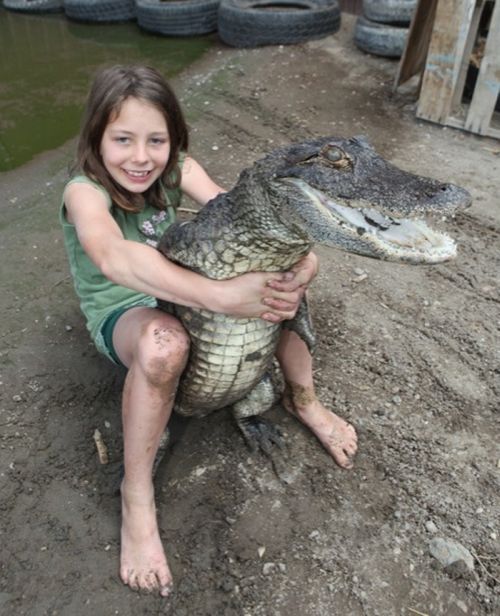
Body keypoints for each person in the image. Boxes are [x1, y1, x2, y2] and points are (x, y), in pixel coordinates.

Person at [61, 64, 357, 597]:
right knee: (163, 345)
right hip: (126, 309)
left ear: (174, 139)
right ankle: (137, 497)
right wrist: (220, 295)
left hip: (182, 287)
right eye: (122, 139)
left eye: (156, 140)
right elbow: (112, 255)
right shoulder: (83, 190)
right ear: (96, 138)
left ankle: (305, 399)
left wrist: (301, 267)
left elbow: (237, 211)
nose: (140, 157)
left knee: (280, 286)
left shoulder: (173, 168)